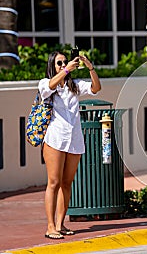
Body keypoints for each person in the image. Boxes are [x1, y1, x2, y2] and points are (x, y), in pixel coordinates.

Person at [39, 51, 101, 239]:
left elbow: (96, 88)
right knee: (54, 182)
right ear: (53, 65)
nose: (63, 64)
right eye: (59, 63)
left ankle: (60, 224)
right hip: (55, 139)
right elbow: (49, 85)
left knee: (67, 183)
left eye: (65, 62)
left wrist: (89, 67)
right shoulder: (46, 83)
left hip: (74, 140)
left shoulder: (74, 86)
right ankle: (50, 226)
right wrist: (65, 71)